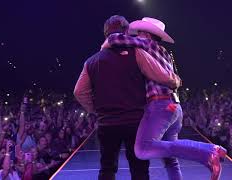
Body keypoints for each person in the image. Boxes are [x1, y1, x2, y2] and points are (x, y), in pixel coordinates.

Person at [103, 17, 227, 180]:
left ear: (147, 35)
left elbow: (113, 39)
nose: (136, 36)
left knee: (142, 149)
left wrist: (105, 47)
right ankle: (208, 155)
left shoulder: (147, 45)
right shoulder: (165, 53)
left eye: (139, 33)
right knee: (170, 158)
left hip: (160, 105)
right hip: (174, 107)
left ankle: (210, 150)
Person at [74, 15, 181, 180]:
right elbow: (162, 76)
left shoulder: (91, 62)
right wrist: (175, 80)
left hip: (107, 122)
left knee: (107, 169)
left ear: (105, 34)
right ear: (125, 33)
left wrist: (94, 109)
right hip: (135, 122)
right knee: (139, 170)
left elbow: (79, 92)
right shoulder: (137, 54)